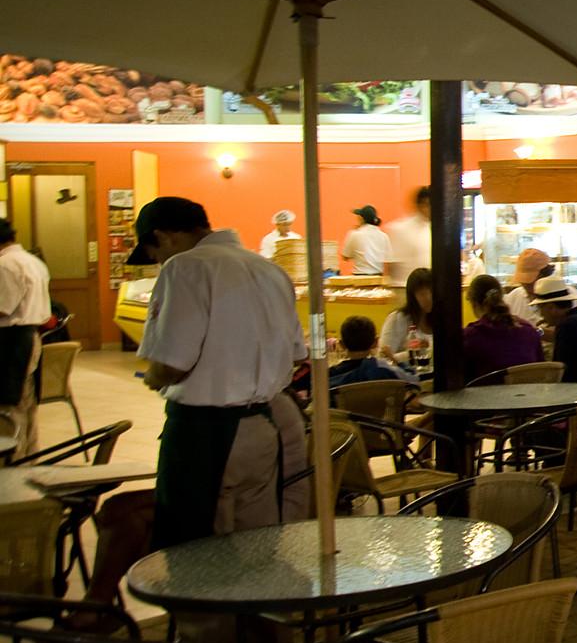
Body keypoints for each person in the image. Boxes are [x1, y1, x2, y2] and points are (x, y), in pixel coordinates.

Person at [129, 196, 309, 547]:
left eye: (154, 251)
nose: (157, 260)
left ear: (164, 236)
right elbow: (295, 353)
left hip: (204, 432)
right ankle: (253, 603)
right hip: (261, 424)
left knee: (194, 547)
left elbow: (173, 362)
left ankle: (202, 604)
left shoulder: (185, 267)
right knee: (255, 543)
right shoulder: (269, 269)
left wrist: (154, 377)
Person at [0, 219, 53, 454]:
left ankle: (14, 459)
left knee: (10, 405)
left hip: (11, 339)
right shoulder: (33, 261)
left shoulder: (6, 264)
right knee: (27, 402)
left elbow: (3, 306)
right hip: (30, 335)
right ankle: (30, 456)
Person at [462, 273, 544, 382]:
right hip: (528, 396)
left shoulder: (469, 336)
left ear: (474, 303)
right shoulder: (529, 331)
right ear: (502, 297)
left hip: (486, 397)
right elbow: (541, 369)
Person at [330, 315, 416, 388]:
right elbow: (413, 379)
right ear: (375, 342)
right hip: (382, 407)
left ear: (341, 344)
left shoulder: (328, 376)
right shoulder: (383, 369)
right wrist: (393, 358)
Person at [378, 267, 435, 370]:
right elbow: (383, 359)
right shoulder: (397, 319)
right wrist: (414, 353)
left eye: (432, 292)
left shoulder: (442, 319)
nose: (428, 298)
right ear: (413, 296)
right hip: (404, 381)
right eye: (422, 294)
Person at [386, 186, 433, 279]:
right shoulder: (400, 229)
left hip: (429, 286)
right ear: (419, 205)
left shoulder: (435, 228)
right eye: (427, 204)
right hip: (404, 285)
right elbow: (392, 266)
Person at [504, 247, 552, 324]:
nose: (525, 284)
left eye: (530, 280)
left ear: (544, 274)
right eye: (522, 280)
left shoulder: (565, 296)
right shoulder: (513, 297)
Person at [341, 204, 389, 276]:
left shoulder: (355, 234)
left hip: (359, 277)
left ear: (362, 219)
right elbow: (388, 258)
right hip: (378, 277)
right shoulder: (384, 236)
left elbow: (345, 256)